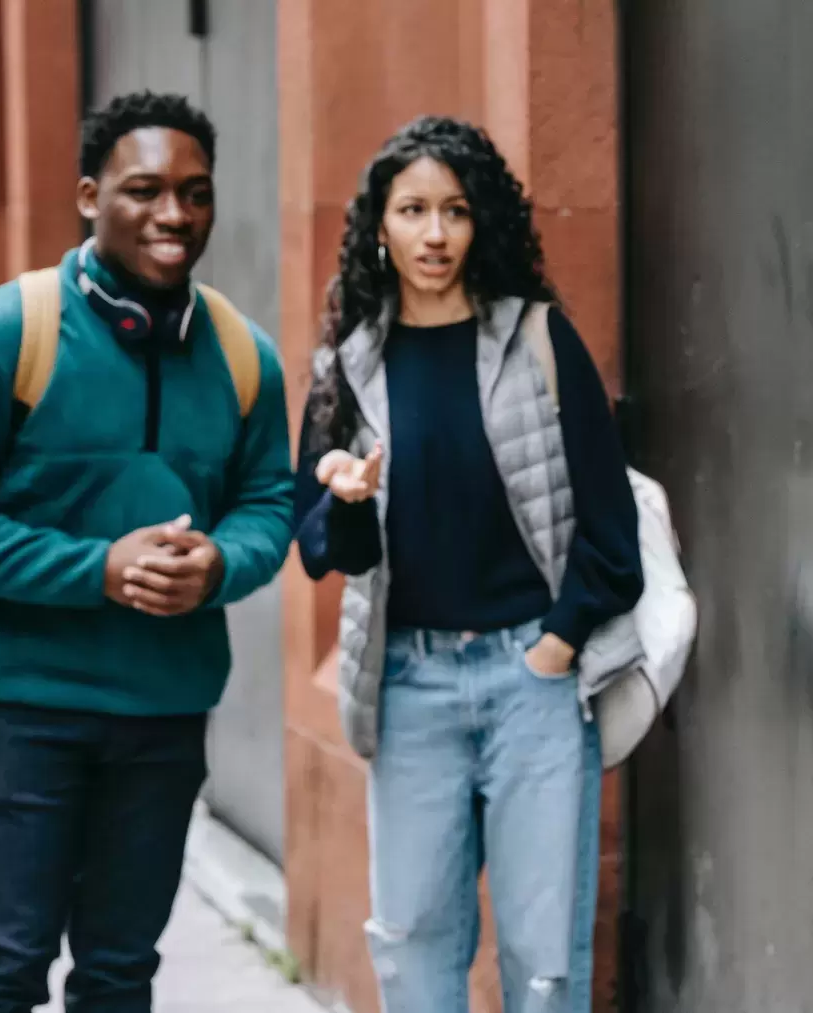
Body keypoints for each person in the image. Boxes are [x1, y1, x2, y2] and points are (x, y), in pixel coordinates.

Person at [0, 91, 294, 1012]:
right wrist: (97, 568)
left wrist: (221, 562)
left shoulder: (242, 354)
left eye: (194, 191)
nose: (174, 214)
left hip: (164, 709)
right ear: (87, 195)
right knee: (4, 966)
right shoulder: (0, 336)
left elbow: (271, 503)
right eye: (144, 190)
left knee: (119, 972)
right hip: (20, 708)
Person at [294, 115, 643, 1013]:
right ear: (380, 223)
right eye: (412, 210)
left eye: (454, 209)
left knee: (542, 961)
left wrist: (555, 647)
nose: (436, 234)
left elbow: (609, 531)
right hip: (408, 686)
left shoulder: (537, 339)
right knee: (412, 946)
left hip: (533, 684)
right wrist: (346, 496)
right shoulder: (349, 364)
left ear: (481, 219)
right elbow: (323, 550)